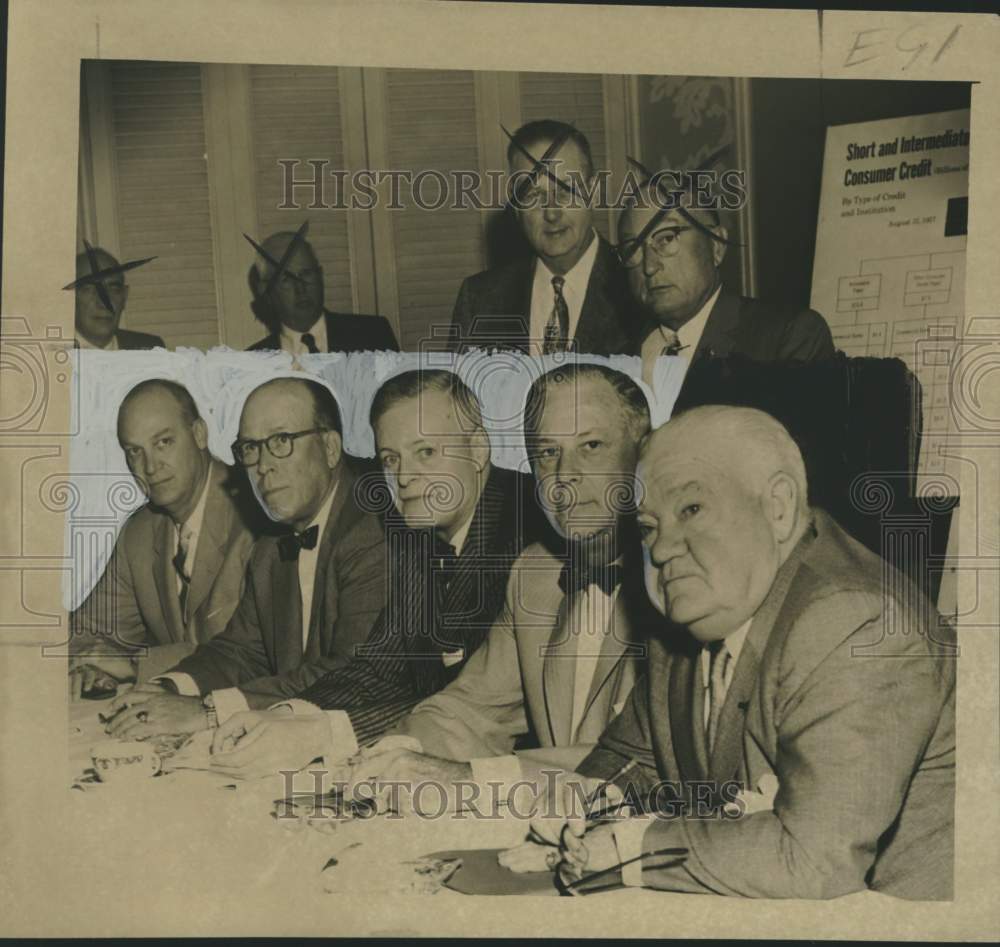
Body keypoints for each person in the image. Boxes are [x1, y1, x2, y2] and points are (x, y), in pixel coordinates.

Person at [530, 405, 955, 901]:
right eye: (648, 527)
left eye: (691, 509)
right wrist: (570, 818)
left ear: (777, 506)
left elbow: (812, 861)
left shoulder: (859, 622)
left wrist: (626, 846)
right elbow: (632, 760)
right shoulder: (694, 622)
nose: (662, 549)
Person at [339, 364, 660, 813]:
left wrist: (466, 777)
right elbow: (472, 707)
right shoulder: (535, 573)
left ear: (645, 454)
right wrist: (397, 751)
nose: (565, 475)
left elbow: (639, 763)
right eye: (548, 453)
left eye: (591, 446)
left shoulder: (676, 579)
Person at [207, 369, 546, 778]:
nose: (404, 478)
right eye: (391, 459)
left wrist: (320, 734)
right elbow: (379, 668)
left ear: (477, 448)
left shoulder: (528, 528)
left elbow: (460, 703)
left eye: (425, 453)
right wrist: (287, 715)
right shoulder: (421, 537)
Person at [104, 376, 387, 740]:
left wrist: (209, 712)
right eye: (251, 448)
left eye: (282, 441)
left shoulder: (375, 526)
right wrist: (166, 689)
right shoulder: (273, 541)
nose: (263, 466)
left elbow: (355, 673)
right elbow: (240, 651)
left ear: (331, 447)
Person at [68, 380, 262, 694]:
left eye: (164, 442)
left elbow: (252, 653)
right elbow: (87, 631)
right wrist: (92, 662)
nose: (150, 467)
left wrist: (136, 665)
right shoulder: (140, 532)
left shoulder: (258, 514)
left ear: (199, 434)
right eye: (134, 451)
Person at [616, 177, 835, 386]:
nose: (649, 266)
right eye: (633, 248)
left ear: (716, 246)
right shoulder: (618, 354)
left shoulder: (789, 338)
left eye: (666, 238)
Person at [450, 120, 633, 356]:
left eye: (566, 190)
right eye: (533, 194)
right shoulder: (478, 299)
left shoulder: (637, 288)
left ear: (594, 193)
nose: (552, 212)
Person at [245, 224, 398, 354]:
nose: (300, 288)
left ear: (320, 275)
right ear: (265, 290)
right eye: (285, 279)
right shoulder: (254, 364)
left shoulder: (373, 334)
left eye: (306, 274)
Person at [65, 243, 164, 350]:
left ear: (124, 297)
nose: (103, 303)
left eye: (114, 290)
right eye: (89, 290)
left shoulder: (151, 349)